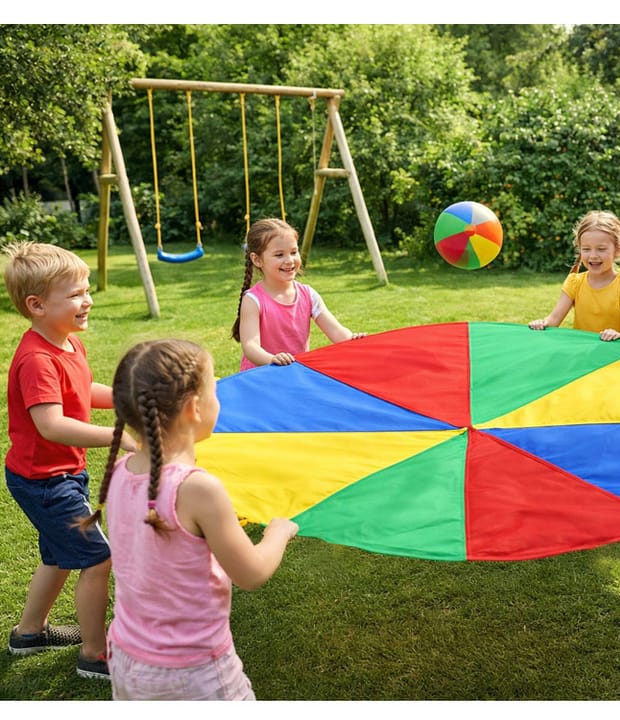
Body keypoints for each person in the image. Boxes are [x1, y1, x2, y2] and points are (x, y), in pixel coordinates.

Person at [80, 339, 300, 700]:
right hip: (193, 671)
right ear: (194, 408)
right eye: (215, 391)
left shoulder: (120, 471)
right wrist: (278, 532)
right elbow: (251, 573)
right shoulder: (198, 489)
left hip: (128, 656)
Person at [4, 241, 137, 681]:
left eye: (87, 290)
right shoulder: (37, 359)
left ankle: (29, 634)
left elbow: (82, 390)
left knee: (59, 555)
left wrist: (125, 397)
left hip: (57, 475)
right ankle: (96, 655)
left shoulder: (67, 344)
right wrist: (119, 437)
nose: (88, 300)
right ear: (37, 305)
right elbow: (52, 425)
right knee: (98, 558)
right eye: (76, 294)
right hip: (45, 481)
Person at [232, 218, 365, 370]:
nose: (290, 260)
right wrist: (272, 359)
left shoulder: (308, 295)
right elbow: (250, 346)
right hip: (261, 377)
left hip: (295, 373)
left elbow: (336, 331)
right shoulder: (253, 300)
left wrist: (352, 339)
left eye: (294, 252)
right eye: (279, 255)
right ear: (257, 260)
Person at [528, 210, 620, 341]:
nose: (593, 255)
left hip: (612, 352)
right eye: (586, 249)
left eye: (601, 249)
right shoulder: (574, 282)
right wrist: (542, 323)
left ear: (617, 250)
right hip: (581, 350)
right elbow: (554, 319)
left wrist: (618, 335)